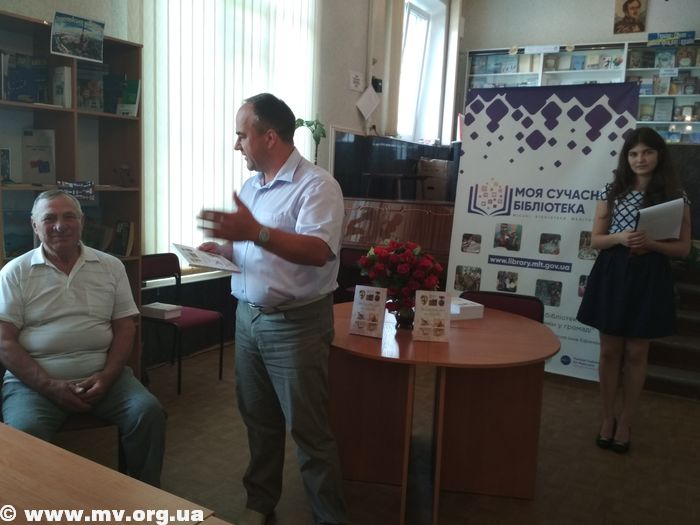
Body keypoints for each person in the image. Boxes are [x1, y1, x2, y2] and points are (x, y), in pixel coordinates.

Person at [198, 93, 347, 525]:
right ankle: (260, 502)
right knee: (258, 420)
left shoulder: (317, 186)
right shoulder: (252, 187)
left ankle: (329, 517)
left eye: (241, 135)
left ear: (269, 136)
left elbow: (317, 251)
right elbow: (251, 246)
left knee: (308, 430)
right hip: (248, 319)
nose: (236, 144)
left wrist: (255, 233)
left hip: (296, 325)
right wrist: (224, 250)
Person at [0, 190, 166, 485]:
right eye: (49, 218)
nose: (60, 225)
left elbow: (125, 327)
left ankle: (147, 493)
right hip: (33, 385)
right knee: (24, 433)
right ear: (34, 225)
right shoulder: (15, 273)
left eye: (69, 217)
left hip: (104, 377)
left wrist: (108, 376)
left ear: (82, 222)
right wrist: (48, 386)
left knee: (148, 413)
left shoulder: (111, 266)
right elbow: (4, 341)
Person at [577, 127, 691, 454]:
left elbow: (683, 248)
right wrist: (620, 238)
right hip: (613, 272)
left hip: (650, 275)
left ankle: (626, 421)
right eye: (634, 153)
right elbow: (596, 240)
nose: (640, 159)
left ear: (659, 155)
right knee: (609, 351)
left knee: (637, 353)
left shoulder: (676, 196)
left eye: (647, 152)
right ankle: (607, 418)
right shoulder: (612, 191)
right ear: (626, 158)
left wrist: (652, 244)